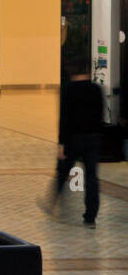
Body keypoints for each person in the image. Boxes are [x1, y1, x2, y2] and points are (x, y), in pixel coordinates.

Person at [52, 72, 102, 227]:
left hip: (73, 139)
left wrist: (61, 143)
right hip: (92, 138)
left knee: (62, 171)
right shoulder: (96, 89)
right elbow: (100, 114)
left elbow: (64, 118)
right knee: (92, 178)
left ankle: (53, 201)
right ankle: (90, 217)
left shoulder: (68, 89)